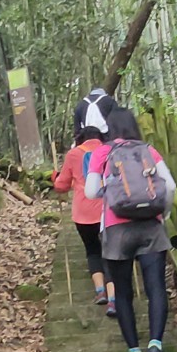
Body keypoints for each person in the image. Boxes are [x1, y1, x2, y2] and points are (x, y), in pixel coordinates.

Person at [85, 108, 176, 352]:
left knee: (123, 292)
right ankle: (156, 348)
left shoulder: (101, 153)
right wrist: (164, 214)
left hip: (116, 230)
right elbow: (169, 186)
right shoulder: (148, 149)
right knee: (156, 287)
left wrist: (111, 190)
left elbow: (91, 192)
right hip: (150, 226)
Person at [53, 126, 117, 317]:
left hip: (83, 212)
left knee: (92, 250)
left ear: (81, 138)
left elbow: (61, 186)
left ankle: (100, 292)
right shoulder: (111, 150)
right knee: (111, 253)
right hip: (109, 209)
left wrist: (55, 178)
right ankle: (113, 300)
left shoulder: (73, 154)